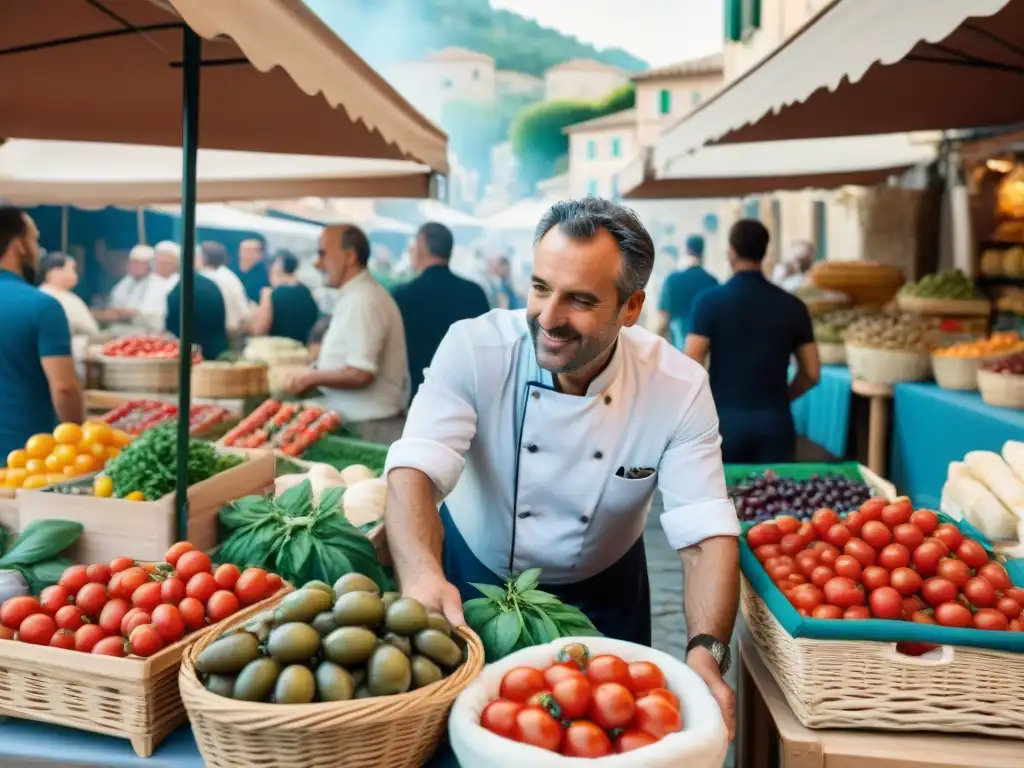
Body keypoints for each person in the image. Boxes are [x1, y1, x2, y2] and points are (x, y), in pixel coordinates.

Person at [384, 197, 739, 736]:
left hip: (605, 595)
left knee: (605, 744)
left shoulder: (678, 386)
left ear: (632, 306)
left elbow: (704, 532)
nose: (548, 318)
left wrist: (707, 650)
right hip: (471, 581)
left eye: (579, 300)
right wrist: (420, 574)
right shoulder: (474, 347)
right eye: (540, 287)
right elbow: (416, 467)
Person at [685, 220, 820, 464]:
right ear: (765, 252)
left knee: (721, 499)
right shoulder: (794, 307)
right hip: (775, 423)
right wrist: (783, 397)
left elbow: (692, 363)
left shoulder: (709, 302)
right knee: (774, 498)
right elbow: (811, 372)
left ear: (731, 252)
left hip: (722, 422)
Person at [283, 225, 409, 442]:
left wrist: (310, 378)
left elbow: (361, 373)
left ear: (350, 256)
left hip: (370, 425)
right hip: (363, 422)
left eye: (323, 253)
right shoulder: (358, 295)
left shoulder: (364, 299)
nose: (317, 263)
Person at [0, 206, 84, 457]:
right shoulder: (41, 306)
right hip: (27, 457)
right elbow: (64, 388)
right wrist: (79, 439)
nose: (38, 250)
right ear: (19, 246)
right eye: (34, 239)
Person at [392, 222, 490, 399]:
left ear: (421, 246)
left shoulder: (403, 295)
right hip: (467, 393)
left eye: (413, 247)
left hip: (419, 393)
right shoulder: (474, 293)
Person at [165, 245, 230, 361]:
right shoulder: (209, 283)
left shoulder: (182, 286)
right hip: (216, 349)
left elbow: (171, 322)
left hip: (193, 353)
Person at [654, 234, 719, 349]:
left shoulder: (672, 280)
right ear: (703, 252)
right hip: (704, 354)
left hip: (677, 352)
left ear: (687, 250)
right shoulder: (712, 282)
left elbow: (663, 321)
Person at [249, 250, 320, 344]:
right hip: (302, 351)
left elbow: (258, 330)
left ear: (274, 269)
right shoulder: (308, 293)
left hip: (276, 352)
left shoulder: (271, 295)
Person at [37, 252, 100, 340]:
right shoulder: (46, 296)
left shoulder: (63, 294)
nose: (76, 275)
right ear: (55, 272)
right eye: (72, 269)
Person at [104, 244, 164, 331]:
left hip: (147, 329)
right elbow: (115, 303)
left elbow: (151, 312)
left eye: (138, 263)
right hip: (124, 326)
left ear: (149, 264)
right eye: (132, 262)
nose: (134, 266)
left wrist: (128, 312)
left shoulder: (157, 283)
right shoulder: (126, 281)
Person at [199, 241, 252, 337]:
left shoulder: (206, 278)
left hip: (220, 333)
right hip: (237, 329)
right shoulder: (228, 274)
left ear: (204, 258)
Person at [236, 238, 270, 303]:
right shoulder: (231, 268)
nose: (243, 254)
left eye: (248, 251)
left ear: (259, 255)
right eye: (242, 250)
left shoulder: (266, 273)